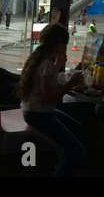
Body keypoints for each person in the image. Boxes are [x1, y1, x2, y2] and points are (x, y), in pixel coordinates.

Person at [16, 23, 86, 177]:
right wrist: (71, 84)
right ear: (60, 45)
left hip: (34, 111)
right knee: (77, 151)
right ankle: (63, 169)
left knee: (77, 129)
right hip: (39, 114)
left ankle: (64, 166)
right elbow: (48, 98)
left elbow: (45, 85)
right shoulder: (47, 65)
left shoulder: (41, 60)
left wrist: (58, 65)